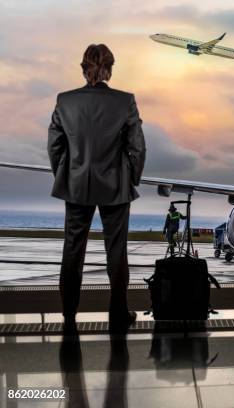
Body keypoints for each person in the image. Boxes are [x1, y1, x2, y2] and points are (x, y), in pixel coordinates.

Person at [48, 44, 146, 331]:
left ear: (83, 68)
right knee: (116, 250)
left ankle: (68, 315)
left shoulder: (64, 101)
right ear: (110, 69)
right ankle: (118, 313)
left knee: (72, 248)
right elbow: (137, 147)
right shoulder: (125, 101)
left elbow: (55, 145)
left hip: (76, 184)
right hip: (115, 185)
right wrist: (132, 179)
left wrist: (65, 176)